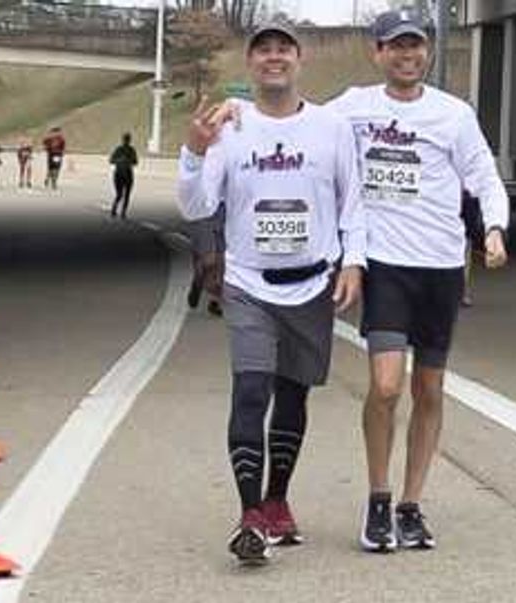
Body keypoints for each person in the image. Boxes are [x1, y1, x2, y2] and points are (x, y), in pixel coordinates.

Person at [178, 23, 366, 564]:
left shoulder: (331, 128)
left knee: (293, 397)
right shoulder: (228, 129)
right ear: (250, 63)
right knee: (251, 392)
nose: (274, 58)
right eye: (263, 50)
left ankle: (277, 499)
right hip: (248, 284)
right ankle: (250, 516)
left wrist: (353, 261)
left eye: (283, 49)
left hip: (312, 283)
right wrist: (194, 153)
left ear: (299, 60)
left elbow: (352, 202)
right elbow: (194, 206)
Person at [327, 9, 510, 553]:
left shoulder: (453, 115)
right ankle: (378, 498)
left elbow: (483, 176)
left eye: (416, 46)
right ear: (377, 52)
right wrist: (237, 116)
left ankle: (410, 504)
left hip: (441, 269)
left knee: (429, 388)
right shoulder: (354, 107)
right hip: (384, 265)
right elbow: (299, 120)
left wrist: (494, 229)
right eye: (395, 46)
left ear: (426, 52)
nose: (407, 55)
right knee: (385, 387)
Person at [186, 203, 226, 317]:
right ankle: (198, 281)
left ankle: (216, 301)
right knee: (207, 261)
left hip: (226, 212)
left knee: (222, 259)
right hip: (203, 214)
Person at [109, 132, 138, 219]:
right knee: (120, 194)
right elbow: (111, 160)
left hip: (128, 174)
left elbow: (136, 162)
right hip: (119, 174)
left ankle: (123, 212)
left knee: (127, 194)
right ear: (123, 140)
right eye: (126, 139)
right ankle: (114, 208)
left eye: (128, 139)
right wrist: (120, 160)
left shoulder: (132, 150)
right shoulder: (119, 149)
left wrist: (129, 161)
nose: (127, 141)